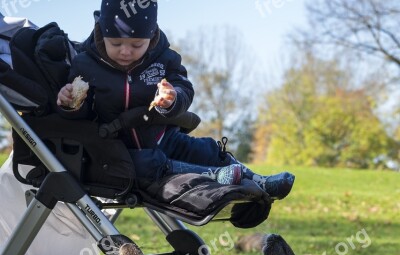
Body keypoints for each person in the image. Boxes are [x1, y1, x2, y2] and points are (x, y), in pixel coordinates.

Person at [57, 0, 295, 197]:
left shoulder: (165, 59)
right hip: (117, 152)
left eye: (136, 44)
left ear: (151, 36)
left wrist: (172, 99)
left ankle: (256, 179)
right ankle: (212, 176)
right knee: (149, 163)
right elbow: (81, 115)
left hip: (162, 136)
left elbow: (184, 88)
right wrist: (69, 104)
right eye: (116, 43)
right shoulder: (85, 64)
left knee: (207, 148)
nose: (125, 51)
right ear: (102, 33)